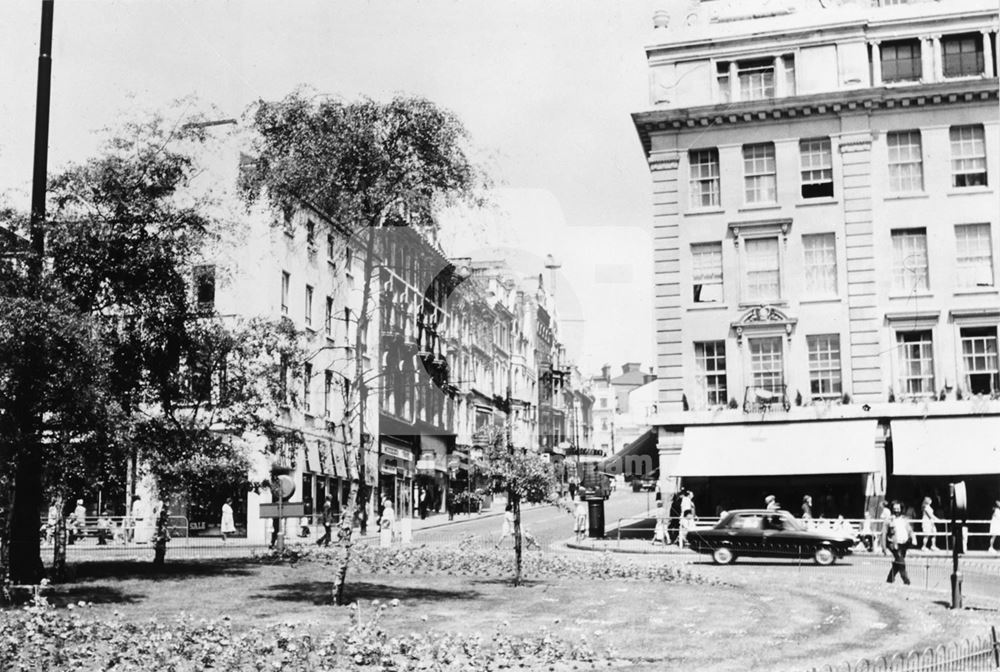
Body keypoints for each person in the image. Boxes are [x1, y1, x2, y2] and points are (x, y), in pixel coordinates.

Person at [882, 500, 915, 585]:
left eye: (898, 508)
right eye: (895, 508)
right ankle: (906, 581)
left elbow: (910, 530)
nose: (896, 510)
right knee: (901, 562)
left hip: (904, 544)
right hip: (894, 544)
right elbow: (884, 534)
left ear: (901, 509)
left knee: (898, 562)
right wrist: (884, 547)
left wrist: (913, 538)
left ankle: (889, 580)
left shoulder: (904, 519)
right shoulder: (888, 520)